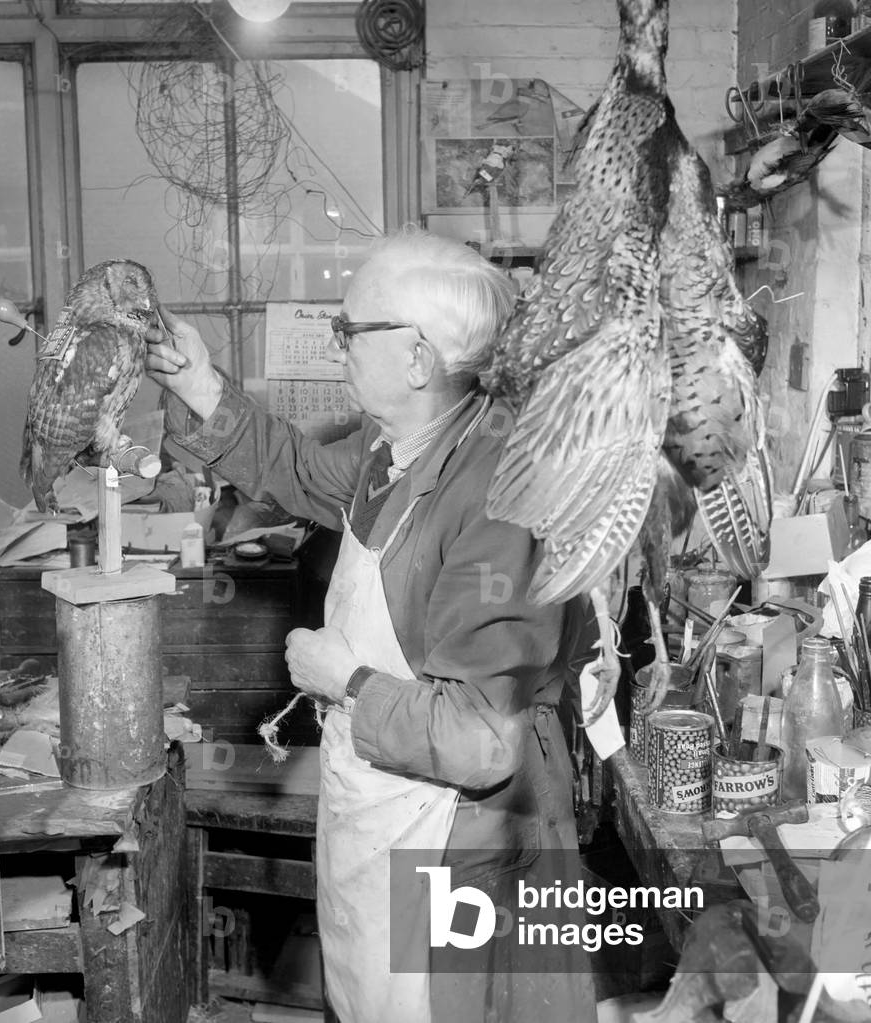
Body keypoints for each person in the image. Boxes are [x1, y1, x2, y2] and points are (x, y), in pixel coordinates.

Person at [146, 226, 600, 1023]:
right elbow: (293, 469)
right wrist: (198, 383)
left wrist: (344, 680)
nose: (338, 348)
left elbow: (478, 741)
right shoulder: (393, 447)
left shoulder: (501, 496)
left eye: (350, 331)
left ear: (419, 359)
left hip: (458, 834)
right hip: (379, 805)